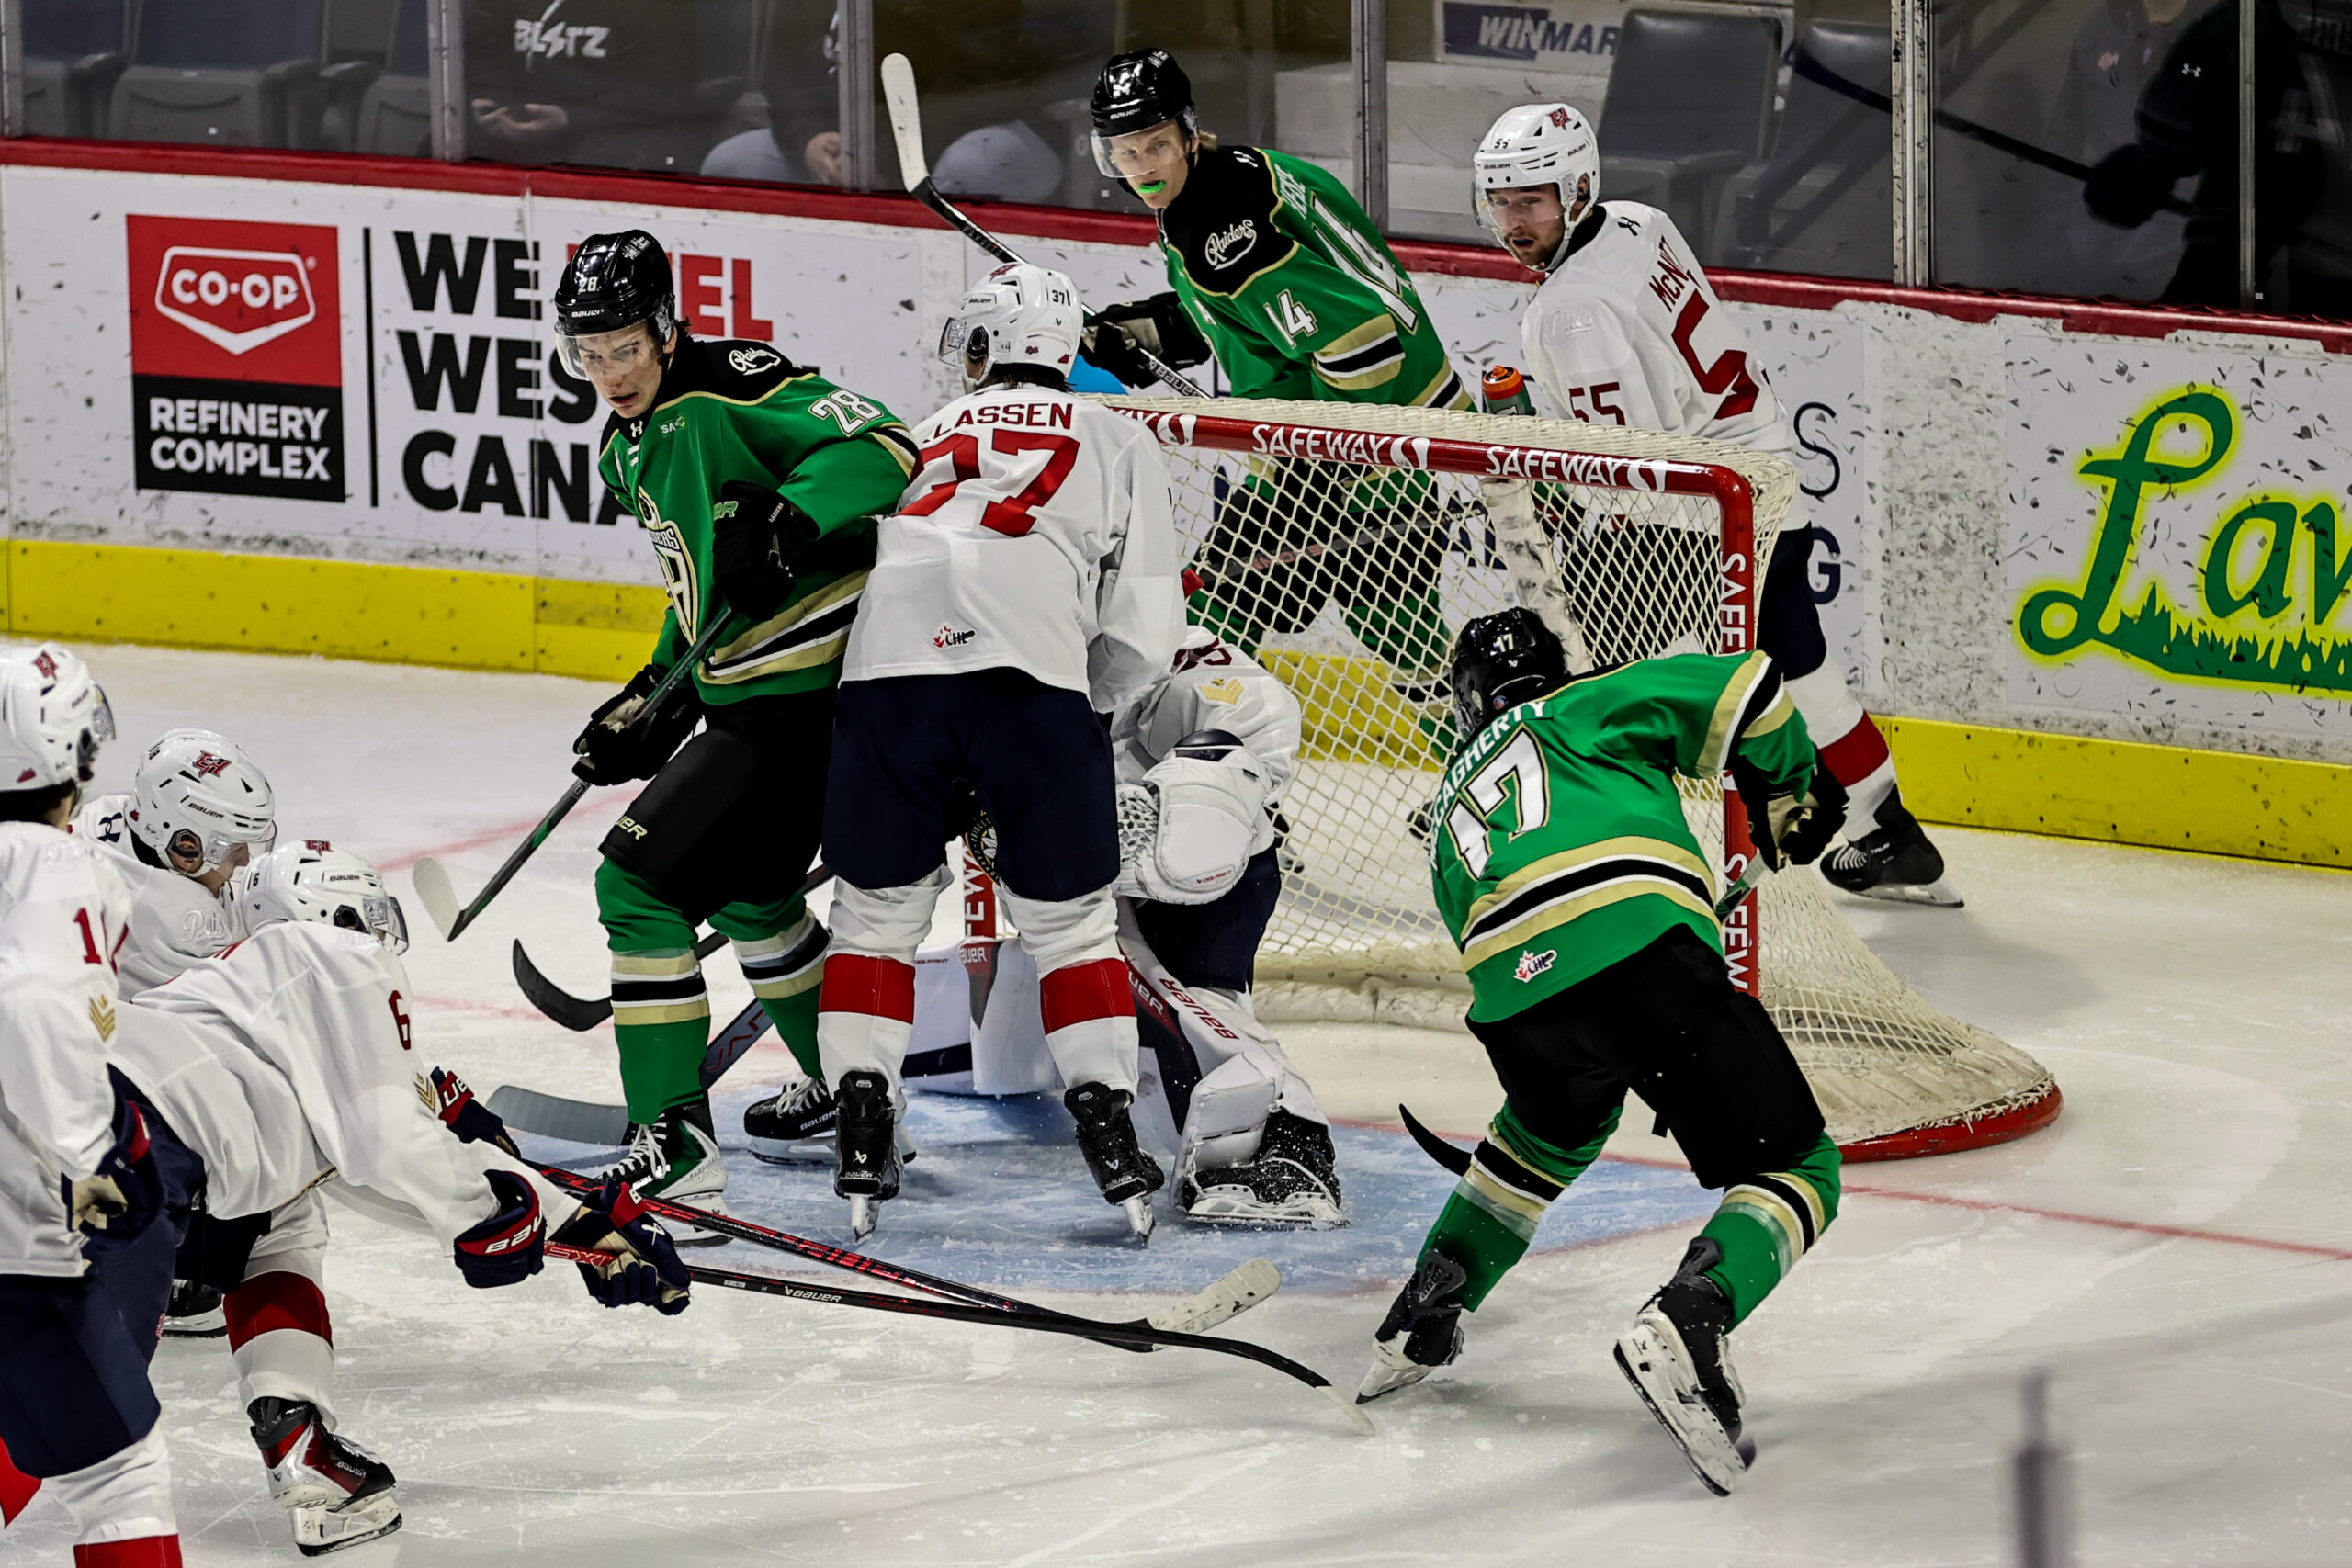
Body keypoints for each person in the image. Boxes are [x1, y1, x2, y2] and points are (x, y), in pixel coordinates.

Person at [1359, 610, 1847, 1496]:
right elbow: (1752, 685)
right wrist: (1789, 789)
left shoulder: (1450, 800)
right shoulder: (1584, 702)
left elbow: (1495, 928)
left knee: (1545, 1136)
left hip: (1516, 1003)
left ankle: (1426, 1309)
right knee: (1799, 1164)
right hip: (1637, 955)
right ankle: (1690, 1318)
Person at [115, 842, 688, 1554]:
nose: (384, 941)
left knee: (280, 1222)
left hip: (94, 1129)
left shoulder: (242, 1010)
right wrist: (489, 1215)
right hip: (128, 1153)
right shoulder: (337, 952)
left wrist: (574, 1224)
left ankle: (300, 1444)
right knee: (73, 1407)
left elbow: (359, 1165)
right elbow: (388, 1140)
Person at [1470, 103, 1956, 904]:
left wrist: (1556, 497)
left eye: (1532, 202)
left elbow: (1629, 465)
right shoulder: (1638, 221)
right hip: (1766, 476)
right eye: (1501, 202)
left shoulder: (1567, 312)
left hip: (1695, 517)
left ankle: (1589, 851)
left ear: (1578, 189)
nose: (1514, 223)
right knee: (1802, 663)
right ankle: (1890, 831)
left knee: (1579, 679)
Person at [555, 229, 919, 1230]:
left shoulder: (729, 384)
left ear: (666, 330)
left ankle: (675, 1141)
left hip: (811, 701)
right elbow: (704, 589)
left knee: (636, 886)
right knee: (756, 901)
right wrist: (655, 692)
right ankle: (853, 1093)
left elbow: (887, 447)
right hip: (750, 697)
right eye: (589, 353)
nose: (609, 372)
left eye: (626, 347)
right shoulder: (624, 448)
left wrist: (793, 520)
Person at [813, 261, 1182, 1240]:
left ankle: (862, 1124)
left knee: (874, 920)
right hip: (1032, 687)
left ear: (983, 346)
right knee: (1071, 929)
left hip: (884, 683)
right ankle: (1109, 1130)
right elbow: (1145, 633)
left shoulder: (922, 431)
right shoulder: (1117, 434)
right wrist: (1071, 706)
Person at [1087, 49, 1474, 754]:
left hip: (1360, 445)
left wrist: (1320, 465)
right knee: (1383, 625)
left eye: (1156, 145)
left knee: (1233, 621)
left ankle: (1221, 787)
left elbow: (1360, 343)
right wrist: (1147, 331)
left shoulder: (1216, 228)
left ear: (1187, 133)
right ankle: (1472, 773)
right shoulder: (1243, 172)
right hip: (1389, 424)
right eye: (1126, 151)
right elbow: (1263, 316)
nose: (1142, 167)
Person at [0, 641, 191, 1566]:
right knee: (119, 1478)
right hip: (14, 1238)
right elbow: (33, 1010)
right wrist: (98, 1162)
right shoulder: (52, 867)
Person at [1109, 627, 1343, 1224]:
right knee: (1145, 1036)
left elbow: (1250, 727)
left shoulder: (1157, 648)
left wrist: (1151, 825)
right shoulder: (1024, 648)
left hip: (1207, 869)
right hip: (1120, 874)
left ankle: (1290, 1143)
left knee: (1199, 1005)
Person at [73, 729, 278, 1338]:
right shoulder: (176, 918)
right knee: (246, 1125)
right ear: (184, 847)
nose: (243, 861)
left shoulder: (109, 820)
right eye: (231, 848)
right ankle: (171, 1267)